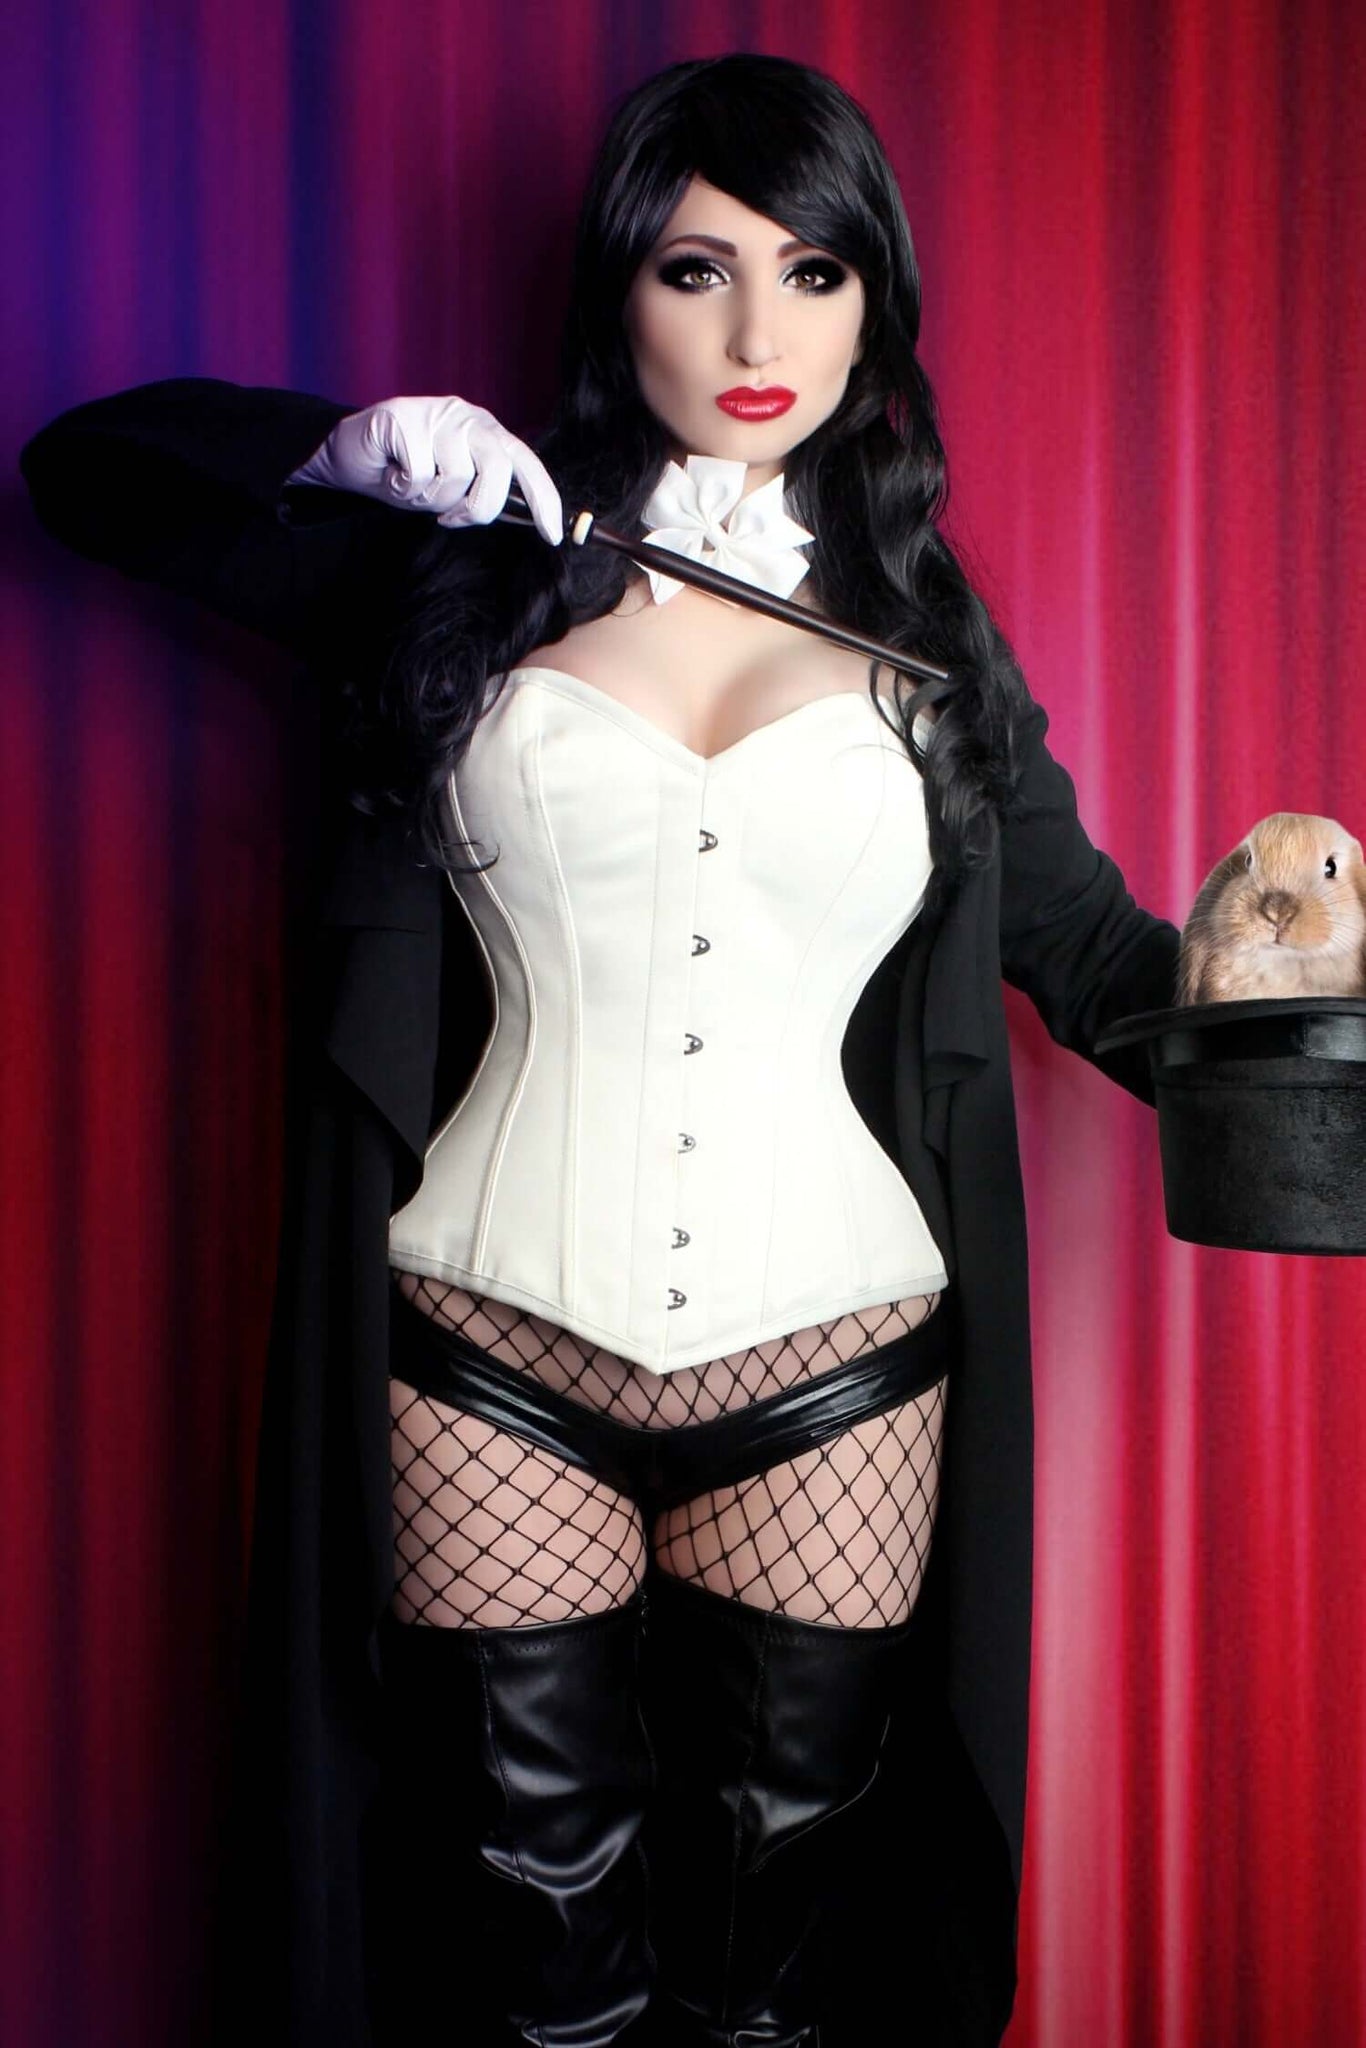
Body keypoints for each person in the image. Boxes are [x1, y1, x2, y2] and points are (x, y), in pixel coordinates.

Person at [19, 51, 1181, 2048]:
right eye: (694, 269)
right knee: (529, 1967)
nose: (755, 336)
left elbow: (1093, 956)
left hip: (834, 1363)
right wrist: (343, 454)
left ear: (874, 306)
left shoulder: (927, 644)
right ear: (614, 293)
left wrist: (1297, 1012)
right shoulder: (463, 566)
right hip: (485, 1349)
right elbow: (86, 473)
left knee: (769, 1972)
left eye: (813, 274)